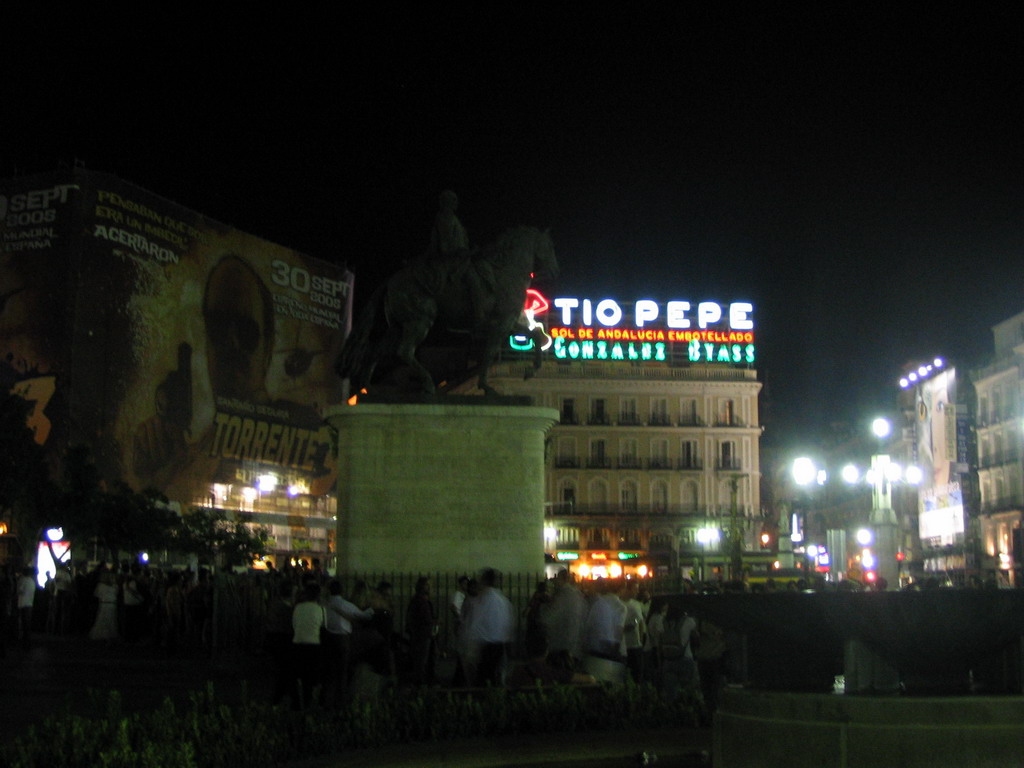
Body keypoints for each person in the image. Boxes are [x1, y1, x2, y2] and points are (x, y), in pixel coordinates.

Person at [322, 579, 373, 707]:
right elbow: (363, 615)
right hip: (342, 638)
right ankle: (340, 699)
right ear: (342, 590)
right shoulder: (344, 604)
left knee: (329, 669)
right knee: (342, 669)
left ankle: (326, 698)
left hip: (327, 637)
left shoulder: (324, 603)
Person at [461, 568, 515, 687]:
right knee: (496, 681)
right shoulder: (503, 601)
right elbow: (508, 626)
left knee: (482, 681)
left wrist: (469, 651)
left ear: (484, 581)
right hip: (500, 646)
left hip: (484, 647)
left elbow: (473, 626)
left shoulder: (480, 601)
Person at [507, 632, 597, 689]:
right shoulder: (552, 672)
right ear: (546, 651)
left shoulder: (517, 672)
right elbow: (590, 679)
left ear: (527, 650)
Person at [542, 569, 587, 672]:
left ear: (561, 579)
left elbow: (548, 618)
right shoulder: (578, 595)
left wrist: (543, 608)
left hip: (561, 648)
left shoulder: (563, 595)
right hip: (575, 646)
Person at [291, 582, 326, 709]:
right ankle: (310, 701)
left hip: (298, 643)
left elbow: (294, 625)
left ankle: (298, 702)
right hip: (314, 645)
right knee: (312, 676)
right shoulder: (320, 609)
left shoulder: (298, 608)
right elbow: (324, 627)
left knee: (299, 675)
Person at [405, 576, 439, 685]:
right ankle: (421, 684)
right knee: (421, 662)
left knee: (426, 661)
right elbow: (420, 619)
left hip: (425, 634)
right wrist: (433, 622)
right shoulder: (419, 601)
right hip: (422, 636)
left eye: (430, 585)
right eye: (427, 585)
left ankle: (425, 683)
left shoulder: (422, 600)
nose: (429, 587)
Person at [622, 580, 647, 682]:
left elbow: (640, 623)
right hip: (624, 646)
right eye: (635, 589)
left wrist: (640, 641)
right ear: (628, 590)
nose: (637, 592)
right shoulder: (620, 604)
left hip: (636, 645)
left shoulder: (637, 604)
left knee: (637, 674)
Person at [89, 570, 119, 641]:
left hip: (106, 604)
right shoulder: (114, 586)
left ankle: (104, 634)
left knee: (104, 620)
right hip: (109, 604)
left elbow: (97, 595)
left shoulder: (102, 586)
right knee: (108, 620)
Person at [16, 566, 37, 649]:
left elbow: (19, 591)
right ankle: (27, 640)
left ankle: (22, 639)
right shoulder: (32, 581)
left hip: (21, 603)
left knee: (21, 622)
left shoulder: (22, 580)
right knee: (27, 623)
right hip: (29, 604)